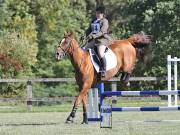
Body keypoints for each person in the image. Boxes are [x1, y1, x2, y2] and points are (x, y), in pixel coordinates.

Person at [83, 6, 112, 77]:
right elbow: (89, 30)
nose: (97, 15)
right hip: (94, 40)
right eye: (96, 13)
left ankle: (103, 70)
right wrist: (84, 35)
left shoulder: (105, 21)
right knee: (84, 50)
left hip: (102, 40)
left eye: (99, 13)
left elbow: (102, 32)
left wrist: (93, 36)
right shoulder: (94, 20)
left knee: (100, 52)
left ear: (102, 14)